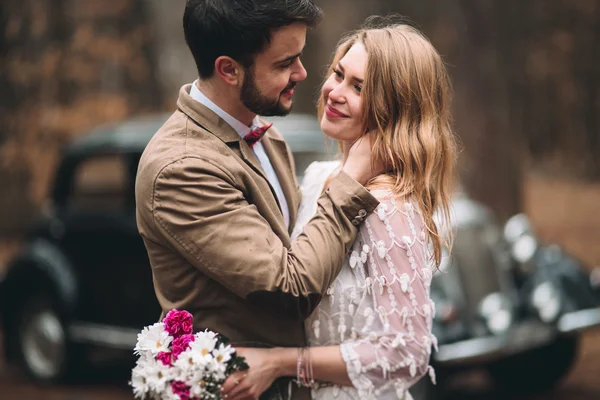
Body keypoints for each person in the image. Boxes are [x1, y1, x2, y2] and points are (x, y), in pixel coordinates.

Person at [135, 1, 382, 399]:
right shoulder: (181, 168)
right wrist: (351, 179)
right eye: (285, 63)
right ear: (229, 69)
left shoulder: (268, 137)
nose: (302, 74)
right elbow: (291, 286)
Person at [221, 18, 457, 400]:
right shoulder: (317, 177)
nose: (334, 92)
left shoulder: (389, 211)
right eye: (338, 74)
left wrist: (282, 362)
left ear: (394, 108)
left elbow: (407, 352)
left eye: (359, 87)